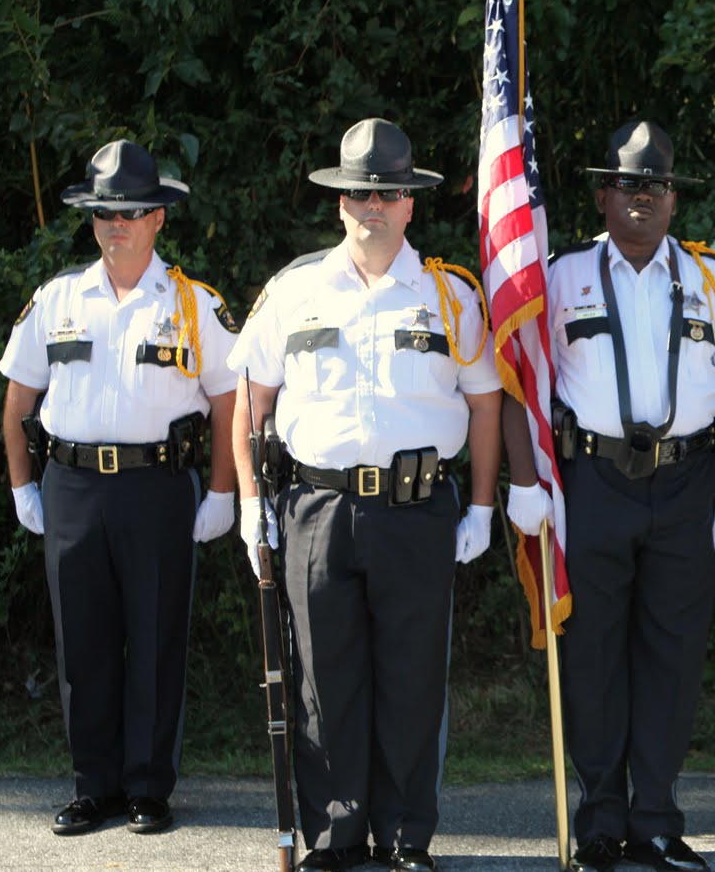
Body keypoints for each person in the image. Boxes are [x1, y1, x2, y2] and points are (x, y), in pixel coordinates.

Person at [229, 118, 502, 872]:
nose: (371, 206)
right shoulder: (294, 289)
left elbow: (485, 404)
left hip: (417, 510)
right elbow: (249, 401)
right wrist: (252, 502)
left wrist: (482, 504)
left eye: (385, 192)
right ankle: (335, 835)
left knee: (413, 679)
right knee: (324, 680)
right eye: (357, 193)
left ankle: (406, 835)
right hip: (315, 511)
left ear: (411, 203)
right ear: (339, 203)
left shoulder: (450, 295)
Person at [503, 119, 715, 872]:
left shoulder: (710, 276)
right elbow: (515, 373)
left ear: (674, 198)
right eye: (627, 183)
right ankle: (599, 821)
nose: (642, 197)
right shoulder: (558, 277)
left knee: (672, 656)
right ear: (602, 193)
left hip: (686, 486)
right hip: (593, 484)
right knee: (591, 653)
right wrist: (526, 483)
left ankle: (655, 818)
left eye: (655, 184)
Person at [0, 140, 240, 836]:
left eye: (132, 211)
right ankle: (92, 785)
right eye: (105, 211)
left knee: (156, 639)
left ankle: (147, 787)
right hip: (72, 485)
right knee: (84, 644)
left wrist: (221, 491)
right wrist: (24, 486)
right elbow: (18, 400)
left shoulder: (195, 303)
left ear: (159, 217)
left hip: (158, 486)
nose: (117, 223)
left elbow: (230, 402)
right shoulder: (58, 298)